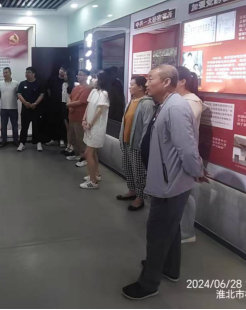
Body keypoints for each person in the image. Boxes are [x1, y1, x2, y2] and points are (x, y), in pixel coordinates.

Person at [122, 65, 204, 300]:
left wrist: (197, 171)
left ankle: (148, 283)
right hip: (167, 180)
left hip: (171, 183)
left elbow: (187, 149)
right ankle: (169, 267)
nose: (146, 83)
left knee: (158, 233)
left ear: (167, 82)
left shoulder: (175, 108)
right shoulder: (165, 104)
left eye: (150, 79)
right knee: (171, 228)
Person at [176, 66, 206, 243]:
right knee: (180, 193)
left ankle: (187, 232)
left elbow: (183, 128)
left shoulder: (192, 101)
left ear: (182, 81)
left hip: (185, 153)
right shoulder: (179, 100)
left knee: (186, 194)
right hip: (177, 153)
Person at [116, 75, 155, 211]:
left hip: (137, 145)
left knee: (139, 172)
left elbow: (147, 126)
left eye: (132, 84)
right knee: (128, 168)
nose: (129, 87)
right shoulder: (132, 101)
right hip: (127, 142)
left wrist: (143, 145)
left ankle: (140, 197)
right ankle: (132, 190)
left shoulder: (147, 103)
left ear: (140, 87)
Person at [79, 71, 110, 189]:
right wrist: (84, 119)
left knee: (88, 153)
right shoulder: (93, 91)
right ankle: (96, 174)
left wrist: (90, 124)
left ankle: (93, 181)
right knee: (93, 152)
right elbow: (88, 106)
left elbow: (99, 111)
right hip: (89, 124)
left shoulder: (104, 93)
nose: (92, 80)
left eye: (95, 78)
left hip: (97, 126)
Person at [65, 69, 92, 167]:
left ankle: (84, 157)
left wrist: (69, 105)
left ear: (86, 76)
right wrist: (70, 104)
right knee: (72, 137)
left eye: (80, 75)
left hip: (80, 116)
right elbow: (70, 97)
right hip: (72, 115)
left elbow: (81, 101)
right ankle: (77, 154)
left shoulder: (88, 88)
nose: (78, 76)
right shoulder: (76, 87)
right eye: (78, 74)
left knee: (80, 138)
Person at [17, 67, 46, 152]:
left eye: (29, 72)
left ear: (33, 74)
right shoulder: (22, 83)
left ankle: (38, 143)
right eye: (26, 72)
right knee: (24, 127)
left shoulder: (39, 83)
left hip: (36, 109)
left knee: (37, 126)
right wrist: (25, 103)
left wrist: (35, 103)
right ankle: (22, 143)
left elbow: (41, 95)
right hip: (25, 109)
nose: (26, 74)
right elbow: (19, 94)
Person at [0, 67, 19, 147]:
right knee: (3, 126)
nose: (5, 74)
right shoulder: (0, 83)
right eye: (4, 73)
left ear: (10, 73)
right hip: (3, 108)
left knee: (15, 126)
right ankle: (4, 141)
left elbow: (18, 95)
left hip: (13, 108)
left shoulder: (16, 83)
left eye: (6, 72)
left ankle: (16, 141)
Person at [45, 66, 67, 148]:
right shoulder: (53, 79)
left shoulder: (66, 80)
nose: (61, 71)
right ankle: (53, 139)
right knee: (53, 121)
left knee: (62, 122)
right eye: (61, 69)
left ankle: (62, 139)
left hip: (63, 104)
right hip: (53, 103)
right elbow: (48, 89)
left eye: (63, 70)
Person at [61, 69, 76, 154]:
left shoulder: (75, 85)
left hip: (71, 106)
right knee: (68, 128)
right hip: (64, 105)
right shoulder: (64, 84)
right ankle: (68, 145)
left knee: (72, 128)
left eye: (66, 75)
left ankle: (72, 147)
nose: (64, 76)